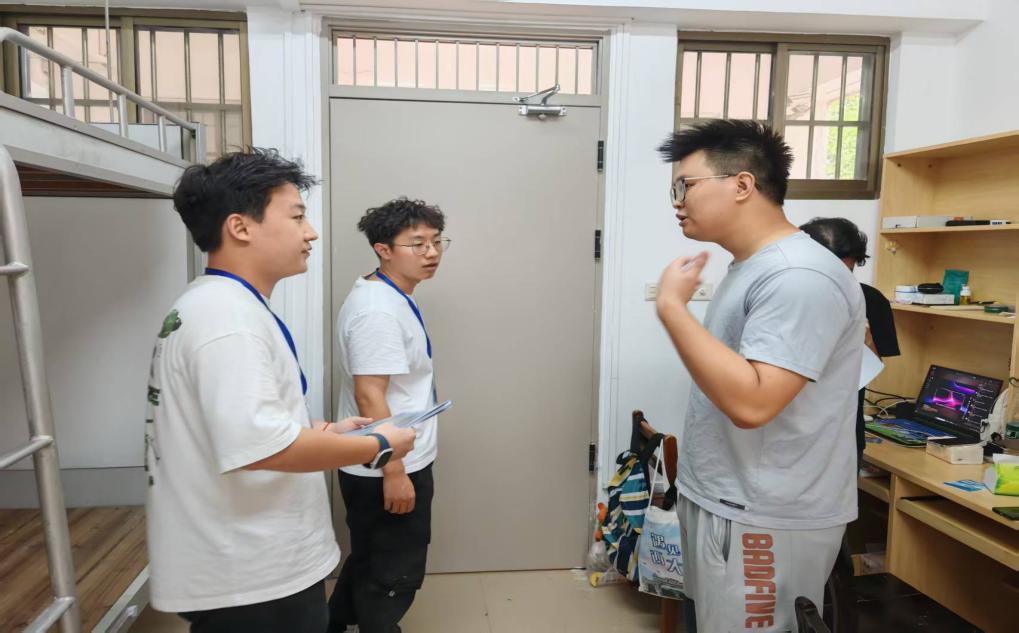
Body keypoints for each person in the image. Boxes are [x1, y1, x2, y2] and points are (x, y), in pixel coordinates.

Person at [145, 148, 415, 633]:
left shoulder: (217, 303)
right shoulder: (228, 321)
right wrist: (379, 444)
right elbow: (264, 448)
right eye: (296, 216)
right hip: (251, 570)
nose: (310, 233)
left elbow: (235, 426)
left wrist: (322, 430)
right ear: (240, 227)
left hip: (245, 560)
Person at [654, 120, 865, 632]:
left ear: (742, 184)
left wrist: (672, 308)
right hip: (727, 497)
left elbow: (753, 404)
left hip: (765, 513)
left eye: (686, 185)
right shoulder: (753, 266)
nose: (677, 201)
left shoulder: (798, 275)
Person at [329, 197, 449, 633]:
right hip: (386, 464)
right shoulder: (377, 311)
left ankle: (335, 625)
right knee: (392, 574)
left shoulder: (390, 295)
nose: (431, 252)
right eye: (417, 244)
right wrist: (394, 471)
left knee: (371, 560)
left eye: (436, 241)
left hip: (387, 457)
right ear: (383, 249)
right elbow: (369, 395)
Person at [800, 217, 901, 466]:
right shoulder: (788, 294)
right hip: (788, 426)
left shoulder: (870, 299)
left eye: (848, 270)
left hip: (843, 431)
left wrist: (865, 337)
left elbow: (872, 367)